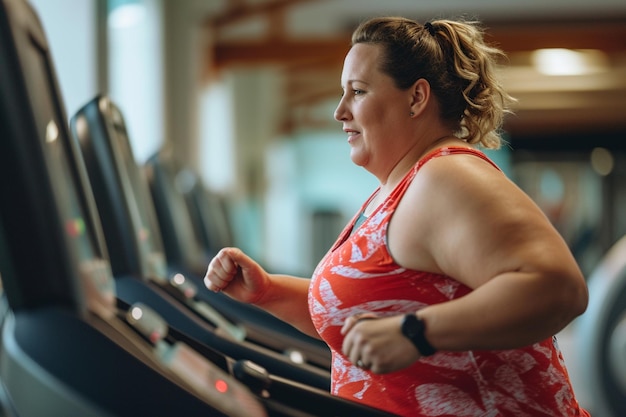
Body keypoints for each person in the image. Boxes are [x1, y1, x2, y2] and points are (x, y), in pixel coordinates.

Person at [205, 16, 590, 417]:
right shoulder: (395, 188)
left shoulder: (446, 176)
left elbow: (558, 287)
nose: (339, 111)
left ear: (416, 98)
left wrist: (416, 332)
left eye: (358, 91)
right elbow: (365, 314)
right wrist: (266, 292)